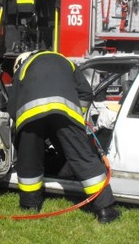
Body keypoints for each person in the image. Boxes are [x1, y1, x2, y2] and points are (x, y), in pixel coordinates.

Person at [7, 51, 120, 223]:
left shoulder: (23, 68)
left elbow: (12, 106)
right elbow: (86, 93)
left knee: (29, 160)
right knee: (82, 157)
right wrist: (77, 117)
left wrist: (23, 130)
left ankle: (30, 206)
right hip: (65, 112)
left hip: (30, 115)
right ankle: (105, 210)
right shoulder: (66, 62)